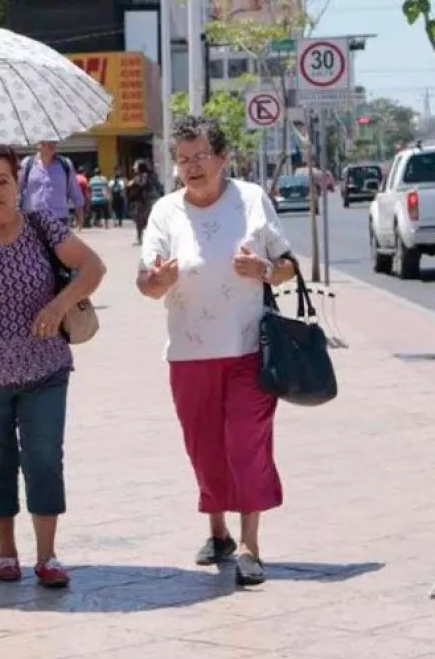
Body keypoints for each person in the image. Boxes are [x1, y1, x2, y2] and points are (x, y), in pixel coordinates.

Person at [0, 142, 106, 588]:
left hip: (44, 368)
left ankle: (47, 555)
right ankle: (5, 551)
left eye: (3, 181)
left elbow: (93, 267)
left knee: (45, 458)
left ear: (18, 183)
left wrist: (59, 304)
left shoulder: (42, 227)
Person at [136, 115, 298, 586]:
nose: (191, 167)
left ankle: (250, 546)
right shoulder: (165, 211)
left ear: (222, 157)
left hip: (249, 349)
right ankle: (219, 532)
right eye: (182, 159)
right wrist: (156, 281)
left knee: (246, 444)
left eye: (200, 156)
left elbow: (287, 265)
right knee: (204, 448)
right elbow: (145, 280)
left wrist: (265, 269)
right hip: (188, 353)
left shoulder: (250, 199)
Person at [18, 141, 84, 231]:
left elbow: (74, 190)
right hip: (32, 220)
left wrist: (79, 213)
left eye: (54, 142)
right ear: (38, 145)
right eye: (47, 142)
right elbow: (16, 190)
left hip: (59, 219)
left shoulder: (65, 164)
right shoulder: (27, 163)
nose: (52, 144)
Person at [127, 159, 161, 246]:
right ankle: (140, 239)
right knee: (140, 220)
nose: (134, 167)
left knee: (145, 220)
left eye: (135, 165)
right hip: (141, 200)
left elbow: (143, 184)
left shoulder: (145, 175)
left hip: (146, 201)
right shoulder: (140, 175)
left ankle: (144, 239)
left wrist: (133, 182)